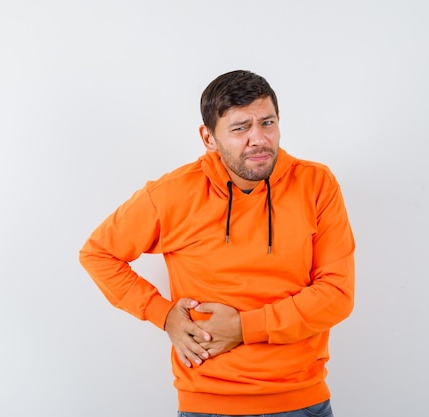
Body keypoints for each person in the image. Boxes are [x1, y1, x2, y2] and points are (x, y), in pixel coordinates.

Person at [79, 70, 355, 416]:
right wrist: (163, 315)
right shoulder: (173, 194)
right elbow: (99, 254)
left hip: (301, 399)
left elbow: (337, 295)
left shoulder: (316, 184)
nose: (258, 139)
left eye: (267, 123)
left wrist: (244, 328)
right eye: (240, 128)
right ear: (208, 138)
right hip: (207, 404)